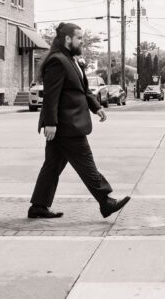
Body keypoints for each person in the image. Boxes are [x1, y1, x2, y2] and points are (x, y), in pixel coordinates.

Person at [29, 22, 130, 219]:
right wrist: (50, 123)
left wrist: (96, 107)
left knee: (51, 166)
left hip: (67, 124)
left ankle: (38, 206)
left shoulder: (72, 60)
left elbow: (83, 90)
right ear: (67, 39)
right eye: (79, 38)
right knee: (86, 163)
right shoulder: (57, 61)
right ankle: (105, 201)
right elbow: (51, 95)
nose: (82, 41)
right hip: (66, 126)